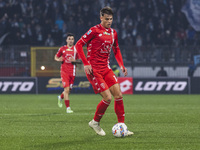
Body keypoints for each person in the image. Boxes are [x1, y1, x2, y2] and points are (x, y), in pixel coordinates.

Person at [75, 6, 133, 136]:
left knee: (118, 95)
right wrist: (85, 64)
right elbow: (78, 44)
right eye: (106, 19)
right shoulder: (94, 30)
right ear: (101, 18)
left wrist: (121, 65)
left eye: (111, 19)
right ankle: (95, 122)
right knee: (107, 98)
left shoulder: (113, 33)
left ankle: (122, 126)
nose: (109, 21)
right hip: (94, 70)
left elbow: (116, 49)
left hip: (106, 68)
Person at [54, 33, 81, 113]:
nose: (70, 40)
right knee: (66, 89)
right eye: (69, 39)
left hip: (72, 72)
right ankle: (68, 108)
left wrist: (75, 61)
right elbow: (56, 57)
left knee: (68, 90)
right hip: (64, 71)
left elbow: (80, 60)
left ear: (73, 40)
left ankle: (60, 97)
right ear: (66, 40)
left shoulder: (76, 49)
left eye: (72, 39)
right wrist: (58, 59)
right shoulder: (62, 49)